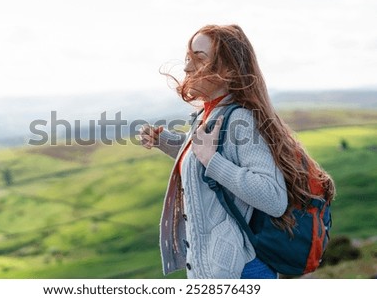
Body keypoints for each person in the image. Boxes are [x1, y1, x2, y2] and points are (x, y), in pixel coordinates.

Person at [139, 24, 335, 279]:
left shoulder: (240, 120)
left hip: (240, 273)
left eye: (199, 59)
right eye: (188, 58)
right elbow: (201, 156)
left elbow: (273, 199)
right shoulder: (209, 113)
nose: (187, 68)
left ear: (229, 71)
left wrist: (213, 160)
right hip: (214, 272)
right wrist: (163, 140)